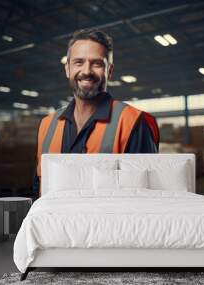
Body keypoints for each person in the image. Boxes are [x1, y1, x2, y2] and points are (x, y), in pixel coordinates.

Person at [32, 28, 159, 198]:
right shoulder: (47, 125)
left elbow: (144, 200)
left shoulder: (133, 122)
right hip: (54, 224)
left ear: (110, 71)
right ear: (67, 69)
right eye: (78, 62)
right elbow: (38, 187)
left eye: (97, 63)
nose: (86, 71)